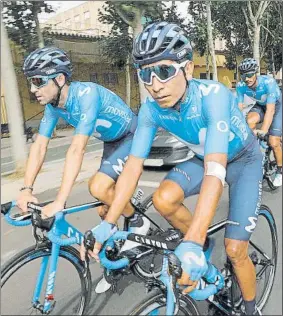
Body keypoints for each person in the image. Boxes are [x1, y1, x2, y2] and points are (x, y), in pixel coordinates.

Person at [84, 22, 264, 315]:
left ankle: (251, 308)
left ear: (188, 70)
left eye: (165, 71)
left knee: (235, 249)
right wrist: (109, 222)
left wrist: (190, 240)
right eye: (146, 74)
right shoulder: (150, 110)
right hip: (201, 156)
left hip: (241, 160)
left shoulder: (213, 96)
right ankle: (204, 244)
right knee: (163, 199)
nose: (155, 84)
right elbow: (132, 167)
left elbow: (215, 171)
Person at [17, 46, 149, 292]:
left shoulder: (86, 95)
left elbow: (77, 149)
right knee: (103, 211)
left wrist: (60, 201)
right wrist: (26, 188)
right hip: (113, 143)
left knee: (98, 187)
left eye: (37, 81)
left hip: (133, 135)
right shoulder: (53, 106)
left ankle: (137, 218)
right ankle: (114, 258)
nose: (33, 89)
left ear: (59, 79)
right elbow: (40, 146)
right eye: (30, 82)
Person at [237, 58, 282, 187]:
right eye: (244, 75)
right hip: (261, 106)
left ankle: (280, 171)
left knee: (274, 142)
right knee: (249, 121)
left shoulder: (268, 82)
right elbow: (239, 109)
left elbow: (271, 110)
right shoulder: (241, 86)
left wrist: (264, 130)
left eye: (250, 75)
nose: (247, 79)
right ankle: (255, 150)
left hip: (277, 106)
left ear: (256, 73)